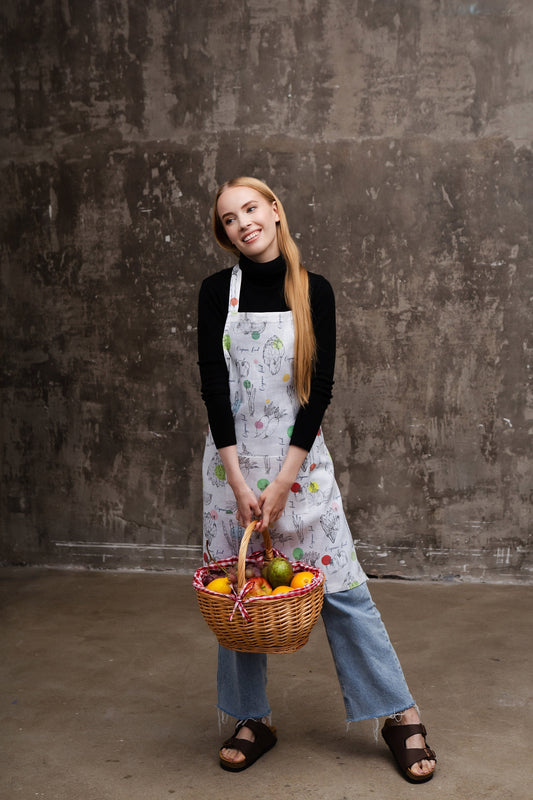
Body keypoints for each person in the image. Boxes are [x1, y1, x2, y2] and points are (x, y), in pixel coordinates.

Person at [197, 176, 437, 783]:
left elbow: (319, 390)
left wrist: (282, 481)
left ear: (274, 211)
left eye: (251, 209)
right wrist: (237, 478)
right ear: (223, 233)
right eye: (228, 219)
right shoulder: (213, 294)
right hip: (233, 468)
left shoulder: (314, 291)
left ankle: (398, 714)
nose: (242, 223)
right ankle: (252, 718)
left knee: (344, 591)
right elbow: (214, 389)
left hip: (298, 467)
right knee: (242, 595)